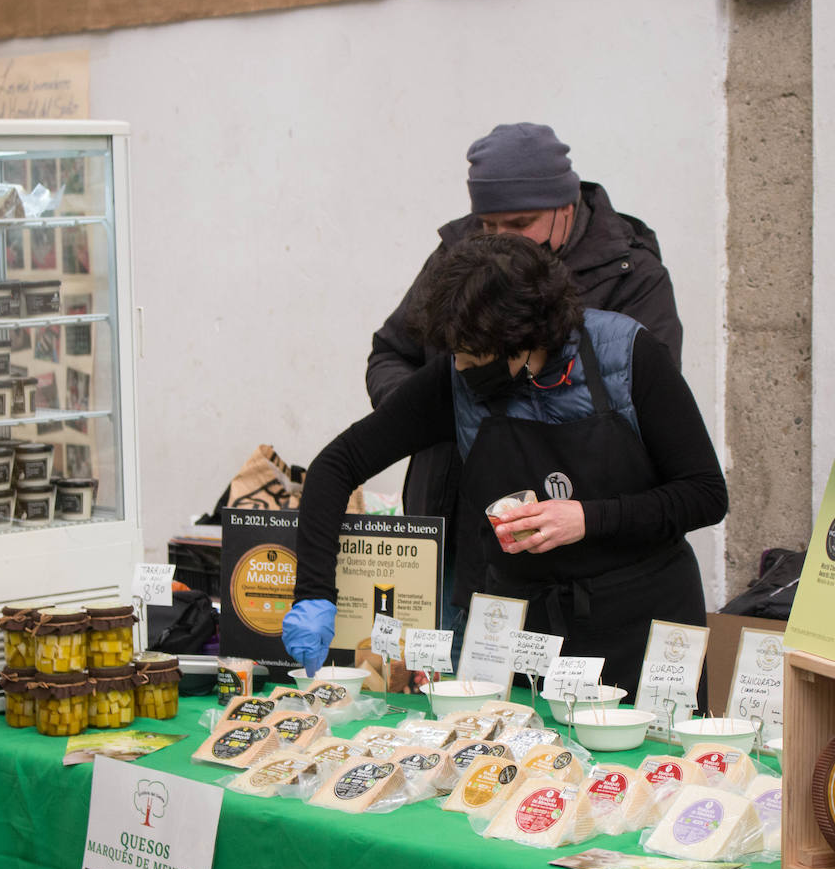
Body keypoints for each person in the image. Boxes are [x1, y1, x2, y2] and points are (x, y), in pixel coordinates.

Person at [284, 235, 726, 702]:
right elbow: (337, 464)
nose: (460, 366)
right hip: (524, 637)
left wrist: (586, 518)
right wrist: (314, 592)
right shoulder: (454, 381)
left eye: (473, 357)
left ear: (522, 339)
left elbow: (705, 494)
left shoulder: (629, 357)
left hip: (644, 629)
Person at [366, 122, 686, 631]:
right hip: (456, 532)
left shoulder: (631, 275)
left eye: (521, 223)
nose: (501, 242)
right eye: (489, 226)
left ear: (566, 205)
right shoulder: (456, 257)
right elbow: (391, 353)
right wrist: (428, 411)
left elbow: (653, 414)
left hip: (582, 554)